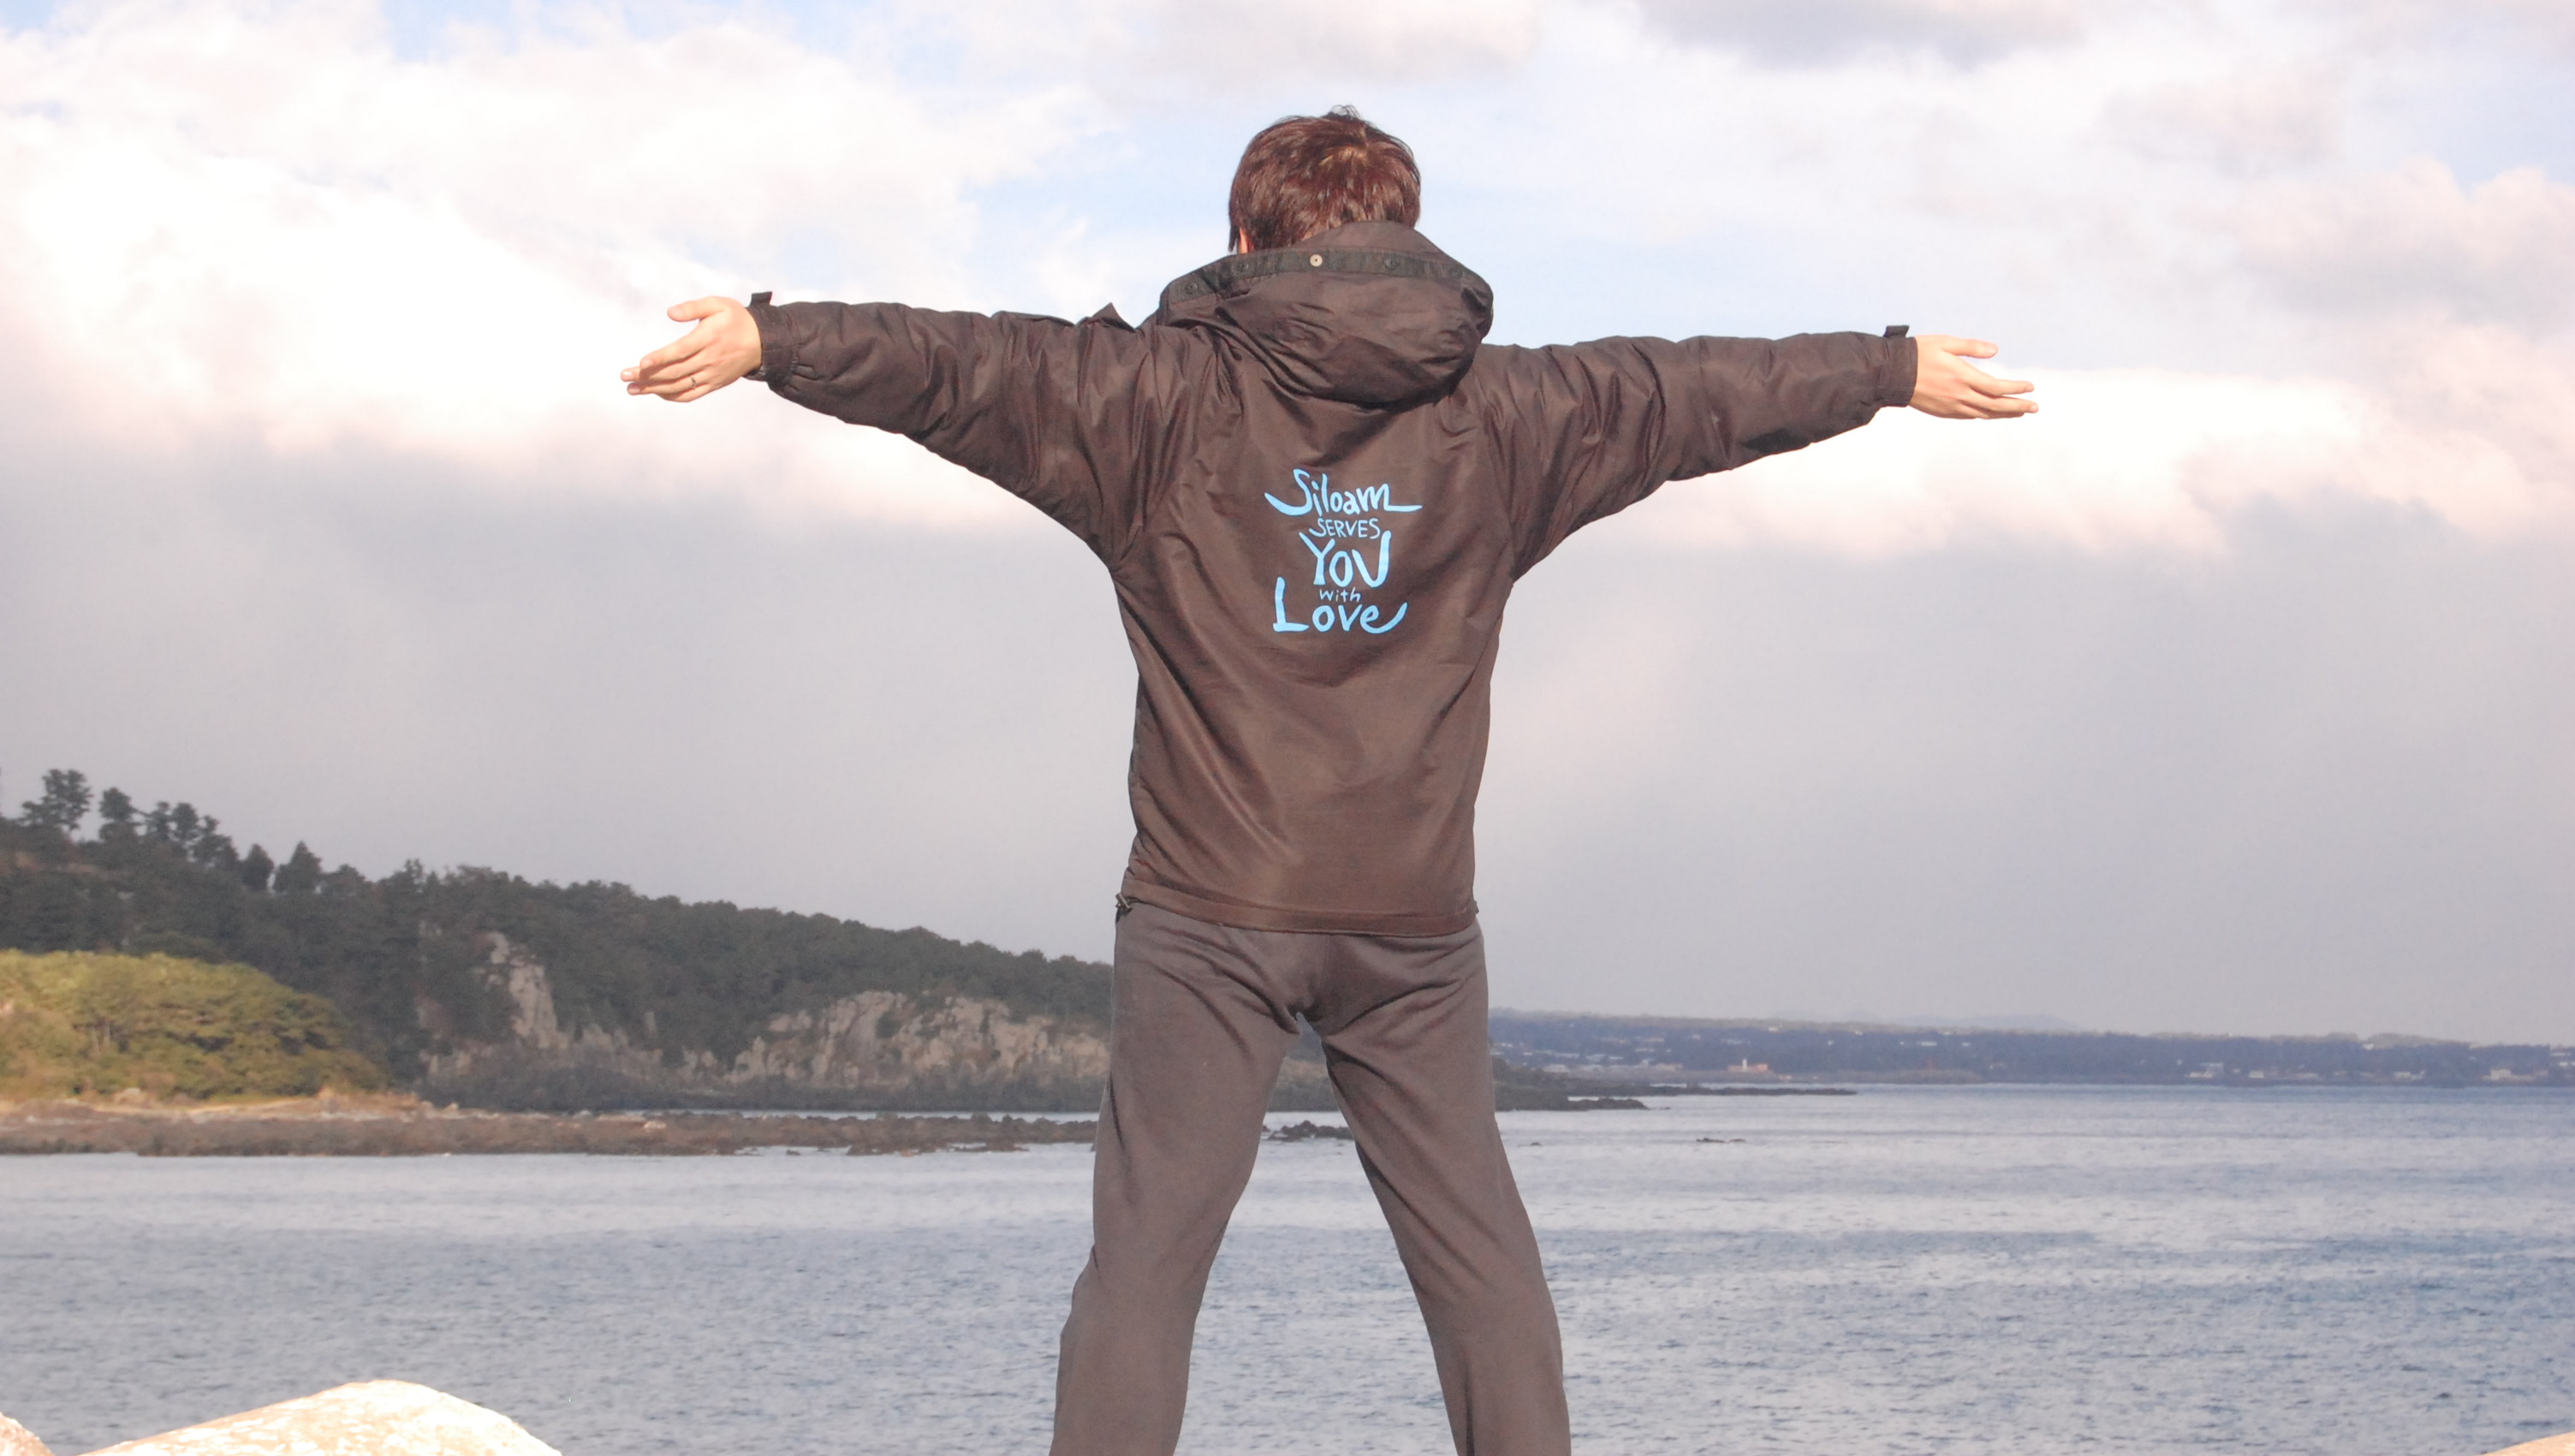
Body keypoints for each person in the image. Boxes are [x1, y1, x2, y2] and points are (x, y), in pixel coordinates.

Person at [621, 109, 2037, 1456]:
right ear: (1402, 233)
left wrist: (773, 340)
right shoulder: (1512, 412)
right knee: (1478, 1261)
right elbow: (1689, 392)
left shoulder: (1153, 400)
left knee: (1147, 1266)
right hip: (1412, 923)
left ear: (1246, 239)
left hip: (1210, 909)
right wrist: (1888, 368)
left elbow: (966, 367)